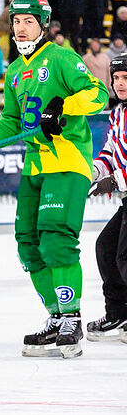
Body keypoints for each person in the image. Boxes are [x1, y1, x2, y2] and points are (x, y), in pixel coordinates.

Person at [0, 0, 108, 358]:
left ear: (43, 24)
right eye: (16, 22)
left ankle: (72, 317)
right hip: (34, 165)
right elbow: (10, 121)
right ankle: (56, 316)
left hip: (67, 161)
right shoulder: (14, 72)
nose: (21, 29)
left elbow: (98, 93)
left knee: (55, 239)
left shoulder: (61, 58)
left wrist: (62, 105)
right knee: (28, 244)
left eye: (28, 22)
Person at [89, 50, 127, 340]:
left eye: (126, 77)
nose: (120, 83)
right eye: (116, 78)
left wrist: (114, 181)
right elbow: (111, 151)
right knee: (106, 247)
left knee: (125, 256)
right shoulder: (118, 113)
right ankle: (118, 312)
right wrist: (94, 171)